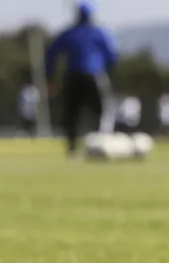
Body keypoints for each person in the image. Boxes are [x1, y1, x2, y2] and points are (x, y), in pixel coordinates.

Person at [45, 0, 118, 157]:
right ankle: (100, 144)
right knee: (101, 111)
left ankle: (72, 148)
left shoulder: (69, 33)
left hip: (72, 77)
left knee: (72, 114)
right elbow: (112, 56)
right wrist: (110, 70)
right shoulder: (100, 33)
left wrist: (50, 76)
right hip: (94, 76)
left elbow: (51, 54)